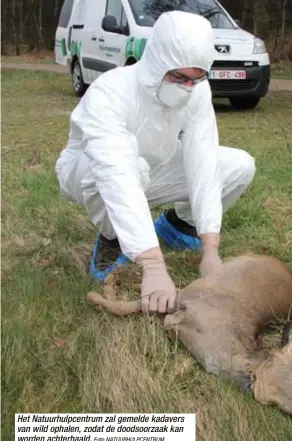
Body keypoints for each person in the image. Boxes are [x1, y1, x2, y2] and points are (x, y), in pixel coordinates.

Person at [55, 10, 256, 314]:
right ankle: (113, 237)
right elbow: (115, 172)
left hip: (153, 168)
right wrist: (152, 265)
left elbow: (203, 160)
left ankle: (177, 228)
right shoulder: (111, 92)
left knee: (239, 164)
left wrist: (211, 247)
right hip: (89, 171)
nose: (187, 87)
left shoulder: (197, 93)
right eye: (178, 77)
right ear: (157, 62)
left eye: (196, 78)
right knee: (124, 170)